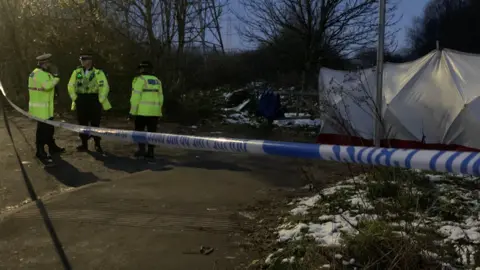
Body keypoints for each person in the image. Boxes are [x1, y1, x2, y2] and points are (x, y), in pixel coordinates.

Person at [67, 49, 111, 154]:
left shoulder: (98, 72)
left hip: (94, 99)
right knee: (82, 123)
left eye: (84, 59)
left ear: (90, 60)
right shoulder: (76, 72)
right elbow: (70, 85)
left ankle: (97, 144)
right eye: (81, 59)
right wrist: (75, 98)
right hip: (81, 99)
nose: (81, 61)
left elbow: (105, 86)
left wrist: (100, 99)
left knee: (95, 123)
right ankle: (84, 144)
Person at [28, 53, 65, 165]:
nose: (50, 65)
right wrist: (56, 78)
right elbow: (48, 86)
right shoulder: (39, 74)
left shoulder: (42, 73)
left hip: (46, 107)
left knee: (49, 129)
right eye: (48, 63)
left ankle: (52, 146)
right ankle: (40, 152)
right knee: (42, 131)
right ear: (43, 63)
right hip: (41, 108)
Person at [130, 61, 163, 161]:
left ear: (141, 69)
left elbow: (135, 98)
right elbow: (161, 97)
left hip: (141, 112)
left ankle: (141, 150)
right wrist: (159, 109)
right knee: (152, 133)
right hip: (155, 112)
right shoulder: (157, 80)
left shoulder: (140, 80)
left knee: (139, 131)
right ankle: (151, 152)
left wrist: (132, 112)